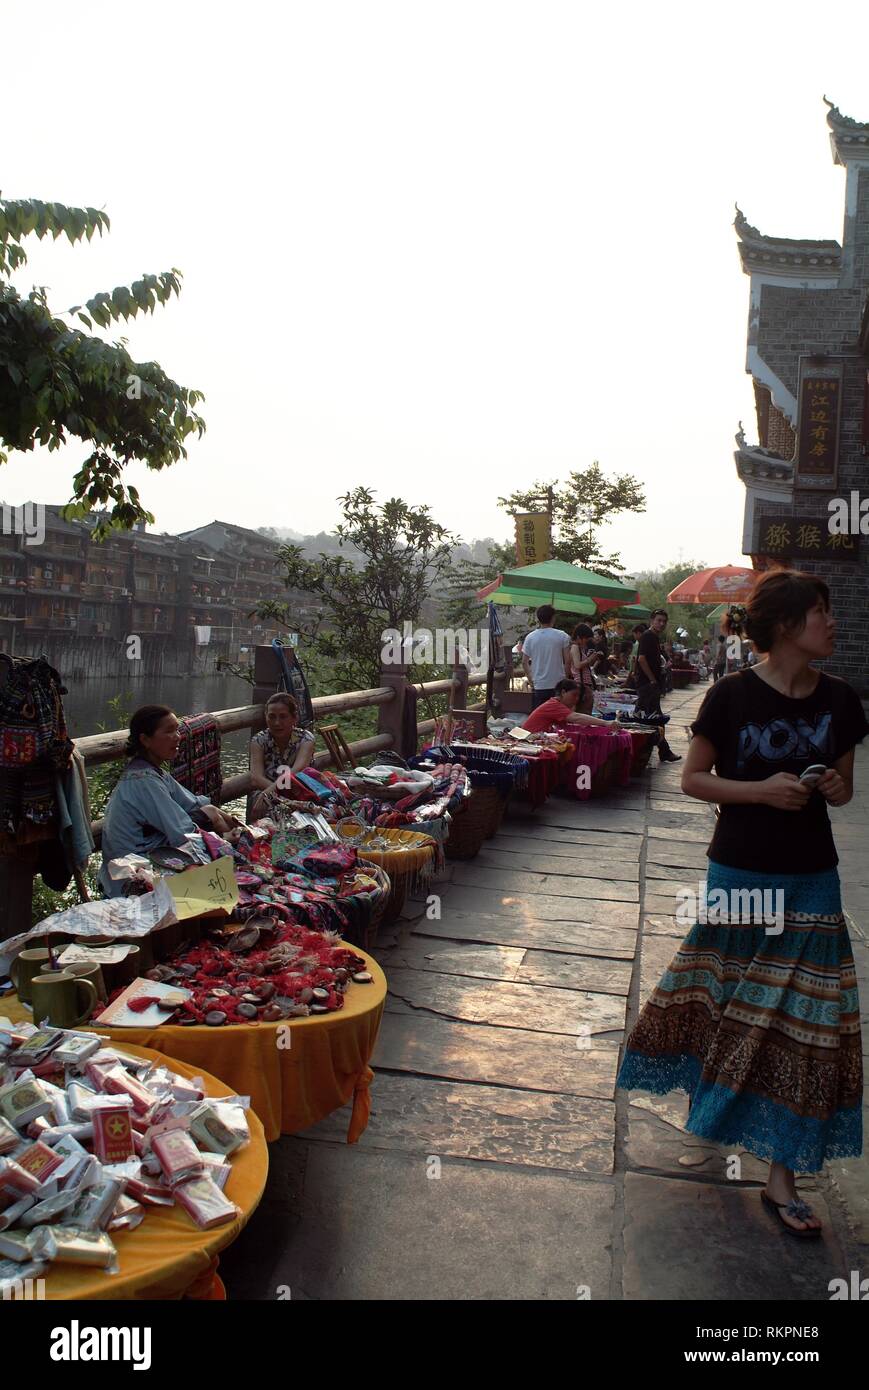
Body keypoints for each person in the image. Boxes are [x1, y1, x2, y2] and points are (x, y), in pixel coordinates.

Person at [618, 569, 867, 1237]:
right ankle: (717, 1103)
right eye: (819, 613)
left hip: (813, 877)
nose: (831, 623)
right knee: (728, 1004)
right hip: (740, 873)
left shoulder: (841, 701)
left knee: (807, 1024)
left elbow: (840, 781)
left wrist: (833, 790)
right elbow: (693, 779)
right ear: (785, 626)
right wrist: (760, 792)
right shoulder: (730, 698)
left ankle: (782, 1176)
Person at [99, 705, 238, 897]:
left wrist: (237, 826)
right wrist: (224, 842)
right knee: (219, 857)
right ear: (145, 740)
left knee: (211, 812)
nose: (177, 736)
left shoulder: (153, 772)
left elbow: (197, 804)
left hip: (152, 853)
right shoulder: (143, 781)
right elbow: (182, 834)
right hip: (134, 871)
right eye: (169, 731)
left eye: (177, 730)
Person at [249, 692, 316, 819]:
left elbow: (296, 771)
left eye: (283, 717)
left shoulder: (306, 739)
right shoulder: (259, 740)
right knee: (259, 800)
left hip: (300, 791)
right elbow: (256, 778)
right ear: (266, 717)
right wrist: (275, 794)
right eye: (272, 717)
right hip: (268, 791)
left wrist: (269, 793)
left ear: (294, 718)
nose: (277, 723)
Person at [635, 609, 680, 762]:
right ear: (652, 620)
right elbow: (641, 659)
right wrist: (652, 679)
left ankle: (662, 750)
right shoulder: (648, 636)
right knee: (649, 719)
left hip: (651, 685)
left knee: (653, 718)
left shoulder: (654, 637)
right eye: (659, 620)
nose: (661, 623)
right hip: (647, 685)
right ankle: (657, 750)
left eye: (664, 621)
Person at [521, 605, 570, 709]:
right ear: (553, 618)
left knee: (541, 717)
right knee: (557, 717)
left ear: (538, 619)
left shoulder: (530, 637)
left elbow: (524, 662)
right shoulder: (562, 636)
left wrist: (531, 680)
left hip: (539, 685)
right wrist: (565, 680)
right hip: (558, 684)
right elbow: (568, 661)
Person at [522, 679, 611, 733]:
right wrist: (605, 723)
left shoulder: (557, 704)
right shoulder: (554, 705)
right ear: (563, 692)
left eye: (578, 696)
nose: (576, 699)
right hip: (528, 739)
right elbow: (576, 717)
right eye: (574, 695)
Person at [567, 623, 601, 714]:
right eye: (586, 638)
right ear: (579, 637)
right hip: (581, 684)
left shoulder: (580, 648)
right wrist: (590, 659)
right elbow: (577, 665)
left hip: (584, 683)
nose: (587, 641)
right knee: (584, 711)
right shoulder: (575, 647)